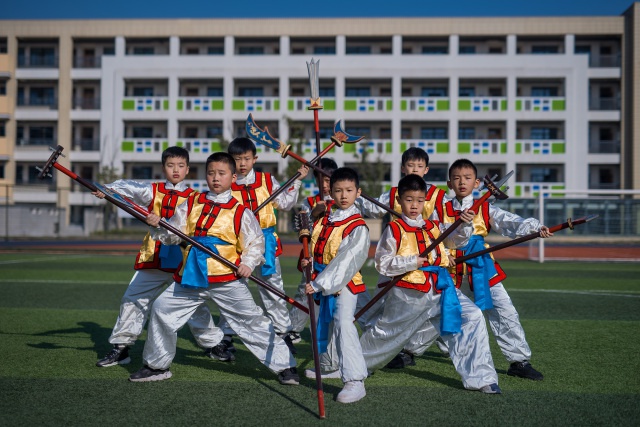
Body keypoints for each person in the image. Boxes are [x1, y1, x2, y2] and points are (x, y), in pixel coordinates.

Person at [128, 152, 299, 384]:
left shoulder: (240, 211)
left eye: (221, 173)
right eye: (211, 173)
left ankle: (285, 366)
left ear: (232, 176)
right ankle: (157, 366)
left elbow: (255, 242)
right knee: (161, 309)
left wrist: (248, 263)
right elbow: (172, 234)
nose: (216, 178)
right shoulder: (191, 203)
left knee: (252, 322)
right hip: (191, 277)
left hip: (228, 279)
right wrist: (159, 227)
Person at [404, 158, 552, 381]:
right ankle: (409, 351)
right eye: (456, 178)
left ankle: (518, 360)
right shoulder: (438, 210)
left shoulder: (485, 207)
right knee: (439, 310)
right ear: (449, 184)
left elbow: (509, 221)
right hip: (450, 267)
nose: (462, 182)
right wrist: (442, 255)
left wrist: (534, 227)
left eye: (467, 178)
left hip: (481, 266)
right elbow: (431, 236)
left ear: (476, 183)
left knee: (504, 311)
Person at [358, 174, 501, 393]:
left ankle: (481, 378)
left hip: (442, 287)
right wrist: (411, 261)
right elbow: (383, 264)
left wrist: (463, 224)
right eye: (408, 200)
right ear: (399, 200)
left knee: (472, 316)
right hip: (408, 293)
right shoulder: (394, 229)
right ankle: (356, 364)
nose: (414, 205)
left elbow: (457, 241)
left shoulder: (434, 226)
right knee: (388, 332)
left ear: (425, 200)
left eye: (419, 200)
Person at [93, 146, 220, 368]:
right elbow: (129, 187)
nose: (176, 170)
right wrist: (108, 189)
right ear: (164, 168)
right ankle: (122, 347)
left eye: (181, 166)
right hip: (154, 256)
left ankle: (213, 344)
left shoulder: (196, 197)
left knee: (195, 305)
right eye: (170, 166)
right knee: (133, 299)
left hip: (183, 259)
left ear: (188, 169)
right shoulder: (153, 191)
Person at [219, 137, 309, 354]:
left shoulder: (267, 181)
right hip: (237, 243)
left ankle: (283, 332)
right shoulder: (226, 185)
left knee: (273, 288)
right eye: (237, 159)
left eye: (246, 159)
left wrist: (297, 181)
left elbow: (286, 204)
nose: (242, 164)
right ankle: (226, 335)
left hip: (266, 242)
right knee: (233, 288)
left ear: (254, 159)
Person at [303, 167, 370, 404]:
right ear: (330, 192)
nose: (343, 195)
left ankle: (355, 380)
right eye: (338, 190)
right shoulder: (326, 218)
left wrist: (320, 283)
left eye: (349, 190)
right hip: (321, 280)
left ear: (358, 192)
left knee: (343, 323)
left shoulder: (357, 225)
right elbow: (317, 247)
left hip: (345, 283)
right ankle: (331, 365)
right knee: (324, 323)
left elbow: (348, 261)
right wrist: (308, 261)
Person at [289, 157, 337, 335]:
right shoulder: (308, 202)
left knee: (348, 293)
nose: (324, 184)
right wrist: (315, 214)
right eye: (319, 179)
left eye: (328, 180)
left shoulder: (343, 201)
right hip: (313, 257)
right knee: (305, 292)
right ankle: (293, 330)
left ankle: (365, 326)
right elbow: (303, 232)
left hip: (336, 256)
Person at [355, 146, 446, 221]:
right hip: (401, 241)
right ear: (402, 168)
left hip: (429, 241)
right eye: (410, 165)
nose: (415, 169)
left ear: (426, 170)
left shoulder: (438, 195)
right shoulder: (394, 193)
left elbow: (452, 213)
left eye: (420, 166)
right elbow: (374, 208)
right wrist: (352, 195)